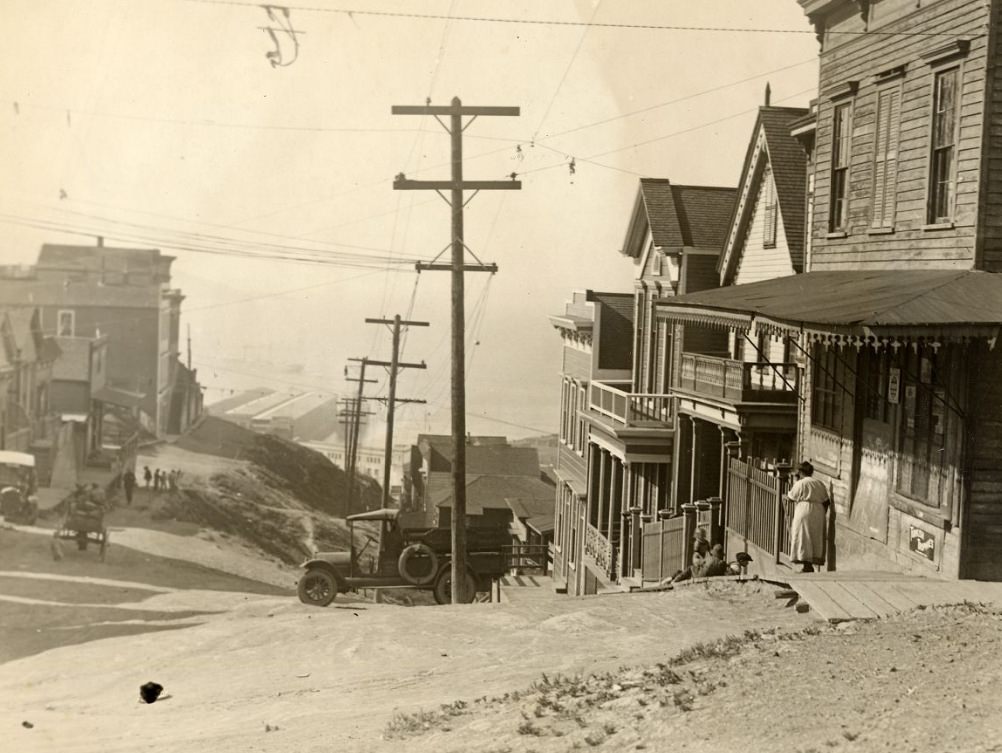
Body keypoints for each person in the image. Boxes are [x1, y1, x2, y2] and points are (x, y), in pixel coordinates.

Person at [786, 461, 831, 573]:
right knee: (815, 537)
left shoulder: (801, 483)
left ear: (801, 472)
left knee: (803, 536)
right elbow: (826, 501)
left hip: (804, 510)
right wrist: (821, 512)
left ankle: (806, 565)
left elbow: (791, 497)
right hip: (818, 511)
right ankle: (810, 563)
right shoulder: (819, 483)